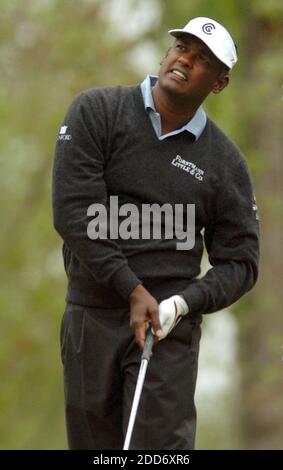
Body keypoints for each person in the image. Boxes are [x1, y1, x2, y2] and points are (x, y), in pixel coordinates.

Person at [52, 16, 259, 450]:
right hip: (91, 316)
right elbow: (73, 213)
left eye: (202, 59)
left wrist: (185, 303)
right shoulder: (97, 112)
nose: (185, 58)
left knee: (158, 454)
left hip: (167, 329)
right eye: (182, 47)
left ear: (218, 84)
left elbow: (241, 262)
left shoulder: (224, 163)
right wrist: (130, 288)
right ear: (167, 53)